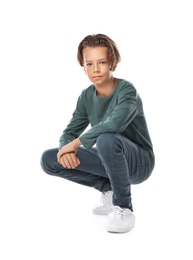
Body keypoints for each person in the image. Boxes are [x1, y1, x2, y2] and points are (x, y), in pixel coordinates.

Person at [40, 33, 155, 233]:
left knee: (106, 140)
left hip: (139, 162)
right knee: (50, 159)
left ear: (113, 62)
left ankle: (124, 208)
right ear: (83, 67)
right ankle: (107, 188)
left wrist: (75, 144)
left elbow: (114, 124)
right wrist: (65, 149)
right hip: (108, 156)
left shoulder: (127, 90)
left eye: (101, 62)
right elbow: (70, 131)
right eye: (89, 64)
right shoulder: (86, 96)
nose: (95, 69)